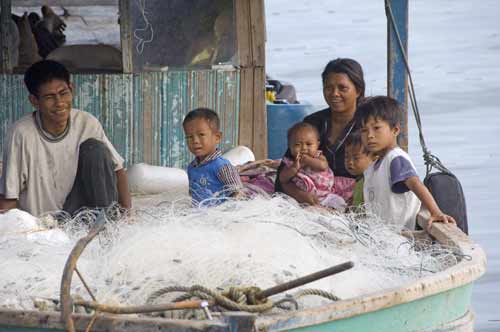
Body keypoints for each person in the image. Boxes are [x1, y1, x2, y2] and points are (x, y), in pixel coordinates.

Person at [0, 60, 131, 217]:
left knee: (95, 149)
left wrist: (127, 216)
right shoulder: (20, 134)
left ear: (72, 89)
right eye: (49, 97)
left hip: (82, 216)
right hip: (44, 226)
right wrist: (12, 233)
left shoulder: (86, 123)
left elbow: (118, 170)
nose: (59, 103)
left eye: (63, 93)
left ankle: (105, 227)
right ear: (34, 101)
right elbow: (9, 195)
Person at [355, 96, 455, 230]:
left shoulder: (395, 158)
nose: (370, 136)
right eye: (364, 130)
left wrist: (435, 212)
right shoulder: (374, 166)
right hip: (380, 235)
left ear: (395, 130)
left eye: (376, 128)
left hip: (400, 235)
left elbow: (415, 184)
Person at [276, 58, 365, 205]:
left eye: (342, 88)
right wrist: (303, 196)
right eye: (328, 88)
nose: (334, 93)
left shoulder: (367, 125)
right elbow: (283, 175)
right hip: (311, 200)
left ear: (358, 91)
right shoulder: (312, 123)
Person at [183, 108, 243, 206]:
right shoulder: (191, 167)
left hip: (219, 216)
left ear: (217, 137)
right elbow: (192, 194)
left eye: (201, 134)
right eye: (189, 137)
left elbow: (238, 193)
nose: (195, 141)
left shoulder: (222, 166)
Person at [279, 122, 346, 210]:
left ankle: (330, 212)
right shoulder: (291, 163)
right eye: (297, 145)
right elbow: (282, 179)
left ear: (317, 144)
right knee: (287, 205)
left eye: (309, 144)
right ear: (290, 147)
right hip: (302, 198)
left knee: (339, 203)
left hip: (325, 197)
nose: (303, 148)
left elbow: (323, 166)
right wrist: (294, 168)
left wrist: (308, 160)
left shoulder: (319, 157)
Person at [344, 130, 377, 207]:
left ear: (374, 158)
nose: (350, 162)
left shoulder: (373, 182)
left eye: (356, 157)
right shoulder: (360, 180)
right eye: (346, 157)